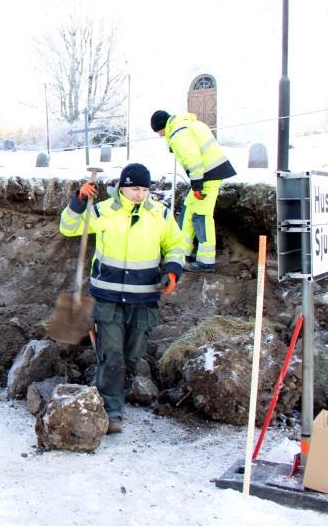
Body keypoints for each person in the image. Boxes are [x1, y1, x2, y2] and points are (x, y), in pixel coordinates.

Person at [59, 163, 185, 433]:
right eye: (134, 188)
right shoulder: (103, 210)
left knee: (131, 358)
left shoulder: (160, 214)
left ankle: (116, 397)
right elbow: (69, 228)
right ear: (122, 188)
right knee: (112, 356)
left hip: (144, 299)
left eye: (144, 189)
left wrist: (173, 272)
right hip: (108, 297)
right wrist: (79, 201)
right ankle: (112, 410)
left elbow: (176, 245)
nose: (139, 194)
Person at [150, 110, 237, 273]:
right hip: (207, 174)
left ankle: (206, 262)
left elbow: (193, 160)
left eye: (159, 132)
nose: (160, 136)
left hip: (207, 175)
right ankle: (183, 253)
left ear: (162, 126)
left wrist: (197, 185)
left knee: (201, 216)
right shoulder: (185, 125)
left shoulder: (178, 132)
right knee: (188, 210)